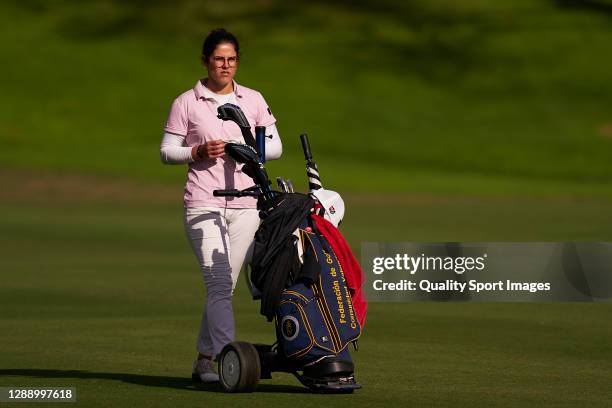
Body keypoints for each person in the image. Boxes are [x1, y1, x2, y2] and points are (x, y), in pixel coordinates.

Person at [160, 28, 282, 383]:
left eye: (231, 60)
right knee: (218, 284)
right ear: (205, 61)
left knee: (224, 286)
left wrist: (246, 147)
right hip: (203, 203)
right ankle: (234, 364)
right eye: (218, 59)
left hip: (246, 203)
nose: (225, 66)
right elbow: (167, 151)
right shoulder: (187, 102)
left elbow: (275, 146)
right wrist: (197, 151)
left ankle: (203, 361)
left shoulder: (253, 99)